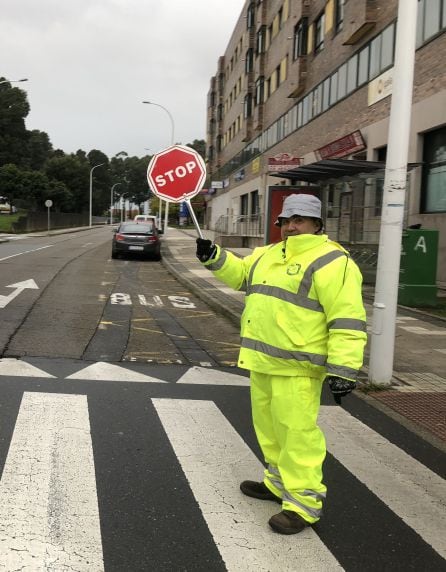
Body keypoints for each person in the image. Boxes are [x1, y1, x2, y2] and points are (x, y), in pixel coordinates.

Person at [195, 193, 367, 535]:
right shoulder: (269, 253)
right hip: (263, 362)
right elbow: (242, 276)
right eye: (286, 220)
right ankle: (276, 484)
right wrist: (214, 258)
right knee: (270, 431)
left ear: (317, 224)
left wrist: (344, 368)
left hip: (299, 367)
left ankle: (303, 504)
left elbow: (347, 318)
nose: (291, 226)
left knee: (298, 436)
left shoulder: (333, 260)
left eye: (299, 220)